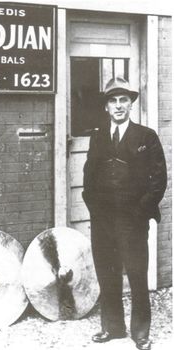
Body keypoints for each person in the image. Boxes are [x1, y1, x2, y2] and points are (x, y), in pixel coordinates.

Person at [82, 76, 167, 350]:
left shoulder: (146, 136)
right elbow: (88, 178)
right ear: (106, 106)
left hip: (133, 221)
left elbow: (158, 180)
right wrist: (95, 209)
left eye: (123, 100)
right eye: (113, 100)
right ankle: (113, 328)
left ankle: (140, 333)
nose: (118, 106)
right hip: (103, 220)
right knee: (107, 274)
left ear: (130, 104)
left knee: (137, 274)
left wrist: (141, 212)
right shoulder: (97, 136)